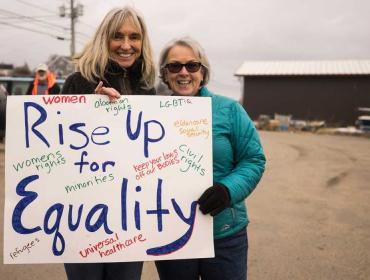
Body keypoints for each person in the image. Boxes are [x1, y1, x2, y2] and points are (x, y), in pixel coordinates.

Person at [155, 37, 266, 280]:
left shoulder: (229, 110)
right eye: (175, 66)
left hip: (224, 232)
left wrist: (227, 190)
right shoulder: (150, 115)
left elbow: (253, 159)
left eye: (192, 66)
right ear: (165, 74)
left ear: (202, 72)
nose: (184, 72)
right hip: (171, 232)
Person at [61, 6, 156, 280]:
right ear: (105, 39)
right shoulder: (79, 82)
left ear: (142, 42)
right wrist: (91, 107)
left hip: (130, 220)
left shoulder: (148, 89)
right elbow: (57, 154)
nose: (126, 45)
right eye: (118, 36)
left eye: (134, 37)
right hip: (82, 220)